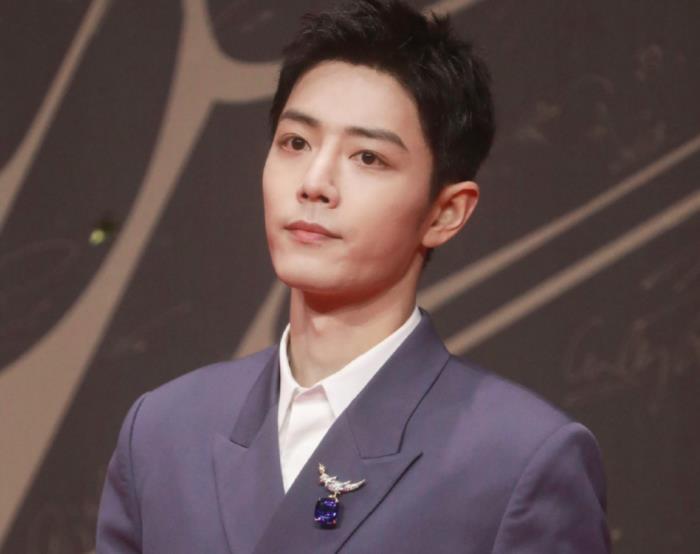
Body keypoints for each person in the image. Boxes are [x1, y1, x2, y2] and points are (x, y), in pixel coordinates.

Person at [96, 1, 610, 552]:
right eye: (296, 143)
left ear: (445, 213)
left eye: (367, 157)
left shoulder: (518, 461)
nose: (315, 182)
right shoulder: (164, 431)